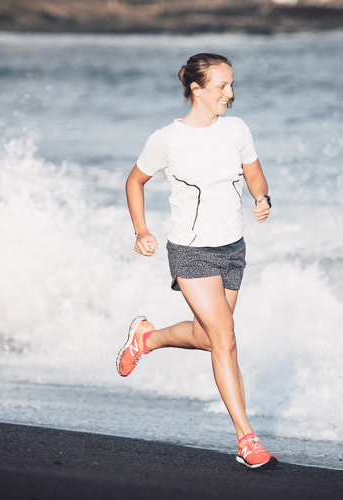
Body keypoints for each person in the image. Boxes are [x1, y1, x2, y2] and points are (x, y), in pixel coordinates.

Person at [118, 53, 276, 469]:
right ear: (197, 88)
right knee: (225, 337)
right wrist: (141, 231)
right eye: (222, 85)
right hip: (191, 250)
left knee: (210, 339)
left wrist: (262, 197)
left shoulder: (237, 130)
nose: (231, 92)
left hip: (233, 249)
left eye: (231, 84)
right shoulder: (168, 139)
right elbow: (135, 181)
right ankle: (247, 439)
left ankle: (146, 338)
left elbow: (255, 172)